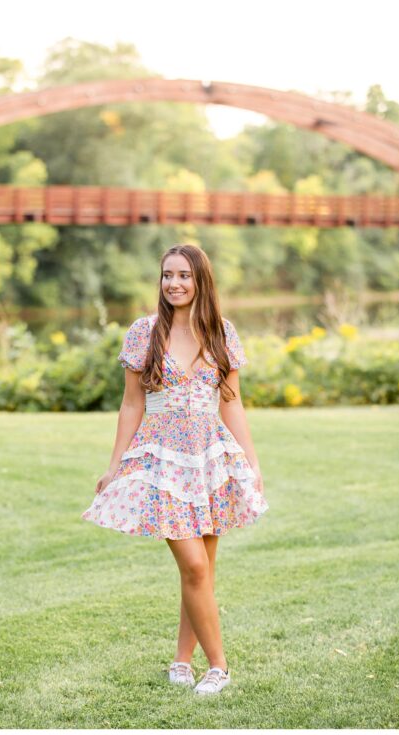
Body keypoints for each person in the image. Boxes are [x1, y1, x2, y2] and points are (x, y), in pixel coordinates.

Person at [82, 243, 267, 695]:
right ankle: (219, 666)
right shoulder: (144, 332)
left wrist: (250, 460)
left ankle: (182, 661)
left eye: (184, 275)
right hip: (162, 457)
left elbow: (232, 403)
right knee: (194, 565)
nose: (174, 283)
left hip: (211, 458)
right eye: (167, 275)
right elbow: (131, 403)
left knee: (200, 568)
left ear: (200, 280)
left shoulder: (222, 332)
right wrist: (115, 465)